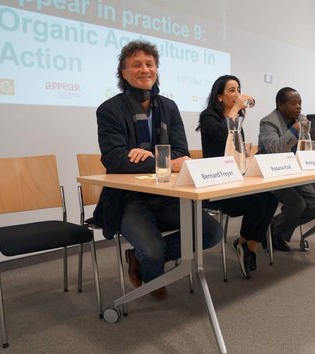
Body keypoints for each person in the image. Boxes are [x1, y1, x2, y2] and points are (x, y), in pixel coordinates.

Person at [93, 40, 222, 298]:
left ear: (156, 69)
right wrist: (162, 159)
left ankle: (138, 257)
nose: (145, 70)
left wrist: (149, 157)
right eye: (136, 65)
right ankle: (151, 269)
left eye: (149, 64)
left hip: (166, 194)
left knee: (211, 232)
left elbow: (181, 153)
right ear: (124, 73)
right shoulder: (109, 110)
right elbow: (115, 160)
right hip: (128, 198)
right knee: (152, 251)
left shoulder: (168, 107)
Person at [196, 75, 278, 279]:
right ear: (219, 96)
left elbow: (236, 151)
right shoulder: (208, 117)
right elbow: (223, 135)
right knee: (258, 203)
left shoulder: (237, 118)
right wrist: (235, 111)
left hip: (235, 178)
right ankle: (244, 245)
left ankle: (247, 246)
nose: (237, 94)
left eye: (238, 89)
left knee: (271, 197)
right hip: (215, 183)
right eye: (232, 90)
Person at [258, 87, 315, 251]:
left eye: (300, 103)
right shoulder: (268, 122)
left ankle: (272, 229)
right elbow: (276, 149)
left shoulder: (300, 119)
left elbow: (305, 146)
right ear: (280, 105)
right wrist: (295, 129)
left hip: (294, 172)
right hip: (272, 173)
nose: (299, 107)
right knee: (297, 204)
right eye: (294, 103)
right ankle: (276, 235)